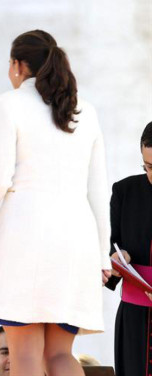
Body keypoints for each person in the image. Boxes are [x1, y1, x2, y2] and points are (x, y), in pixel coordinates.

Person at [0, 30, 111, 376]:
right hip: (77, 241)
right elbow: (98, 190)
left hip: (27, 241)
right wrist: (102, 252)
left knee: (26, 355)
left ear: (18, 65)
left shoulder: (7, 104)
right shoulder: (86, 112)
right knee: (61, 355)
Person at [105, 121, 152, 376]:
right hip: (134, 319)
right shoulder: (124, 191)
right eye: (149, 167)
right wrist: (117, 258)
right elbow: (111, 247)